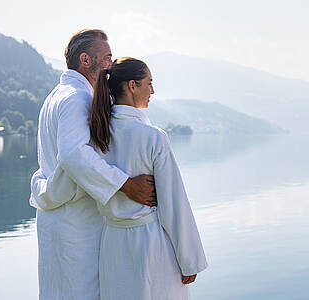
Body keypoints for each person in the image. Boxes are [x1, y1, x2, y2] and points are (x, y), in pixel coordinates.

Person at [29, 30, 156, 300]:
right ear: (86, 60)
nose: (111, 64)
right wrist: (125, 184)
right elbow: (74, 154)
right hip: (76, 223)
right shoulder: (78, 98)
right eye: (107, 57)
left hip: (57, 218)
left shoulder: (56, 95)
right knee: (81, 292)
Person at [89, 57, 207, 300]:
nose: (152, 90)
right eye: (148, 83)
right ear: (132, 86)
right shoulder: (153, 137)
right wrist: (190, 260)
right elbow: (174, 204)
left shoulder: (97, 134)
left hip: (112, 244)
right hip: (150, 246)